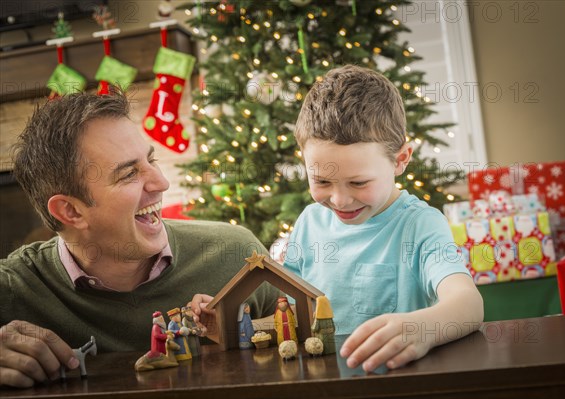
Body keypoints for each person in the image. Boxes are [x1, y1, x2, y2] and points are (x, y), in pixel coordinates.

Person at [0, 89, 279, 388]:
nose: (162, 182)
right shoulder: (13, 289)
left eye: (151, 160)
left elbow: (306, 337)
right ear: (70, 211)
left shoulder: (236, 252)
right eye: (129, 174)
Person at [284, 65, 484, 373]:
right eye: (322, 181)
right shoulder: (309, 222)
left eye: (359, 183)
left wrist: (422, 329)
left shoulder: (420, 225)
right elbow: (281, 299)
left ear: (400, 160)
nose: (339, 199)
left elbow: (469, 305)